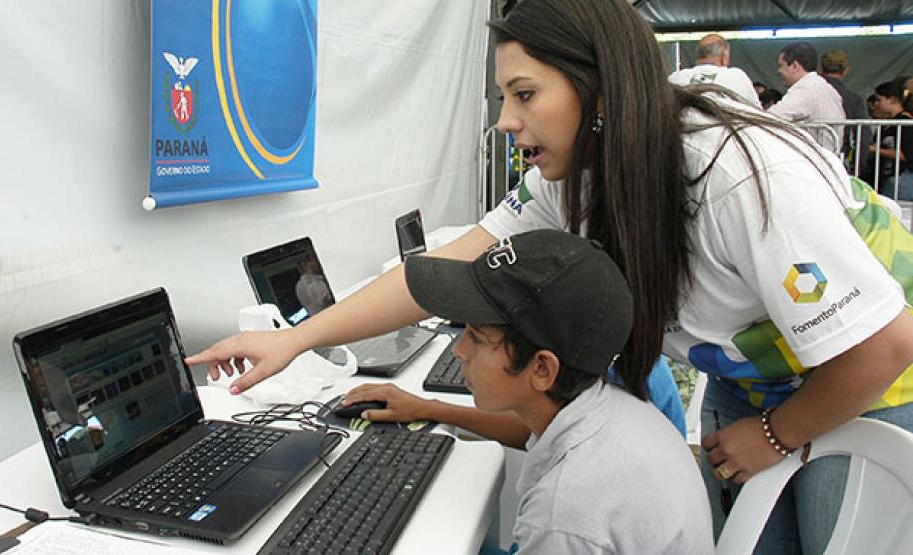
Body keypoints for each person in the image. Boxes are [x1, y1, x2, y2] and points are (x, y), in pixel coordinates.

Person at [187, 1, 913, 553]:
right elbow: (440, 270)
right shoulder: (572, 180)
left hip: (871, 379)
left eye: (525, 94)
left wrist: (776, 435)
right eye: (503, 96)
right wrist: (296, 339)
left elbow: (884, 344)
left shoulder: (736, 175)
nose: (506, 120)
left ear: (598, 88)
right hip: (749, 380)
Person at [355, 229, 714, 553]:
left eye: (476, 337)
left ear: (542, 369)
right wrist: (430, 408)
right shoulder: (610, 406)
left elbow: (563, 523)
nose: (458, 350)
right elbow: (528, 430)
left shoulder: (563, 514)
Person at [768, 41, 845, 154]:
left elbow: (772, 116)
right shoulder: (827, 88)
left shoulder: (805, 89)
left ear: (794, 66)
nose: (778, 70)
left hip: (812, 157)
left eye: (781, 65)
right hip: (829, 155)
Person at [668, 34, 761, 108]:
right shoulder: (737, 76)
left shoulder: (675, 78)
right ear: (724, 57)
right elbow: (758, 114)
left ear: (698, 56)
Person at [820, 49, 872, 177]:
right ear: (845, 70)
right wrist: (858, 167)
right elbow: (862, 136)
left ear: (821, 69)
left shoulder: (807, 93)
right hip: (839, 159)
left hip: (811, 158)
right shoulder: (853, 99)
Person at [870, 79, 913, 200]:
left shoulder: (905, 122)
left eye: (879, 100)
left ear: (892, 100)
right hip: (887, 178)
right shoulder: (887, 122)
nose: (876, 104)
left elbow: (906, 154)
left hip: (901, 180)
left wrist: (875, 150)